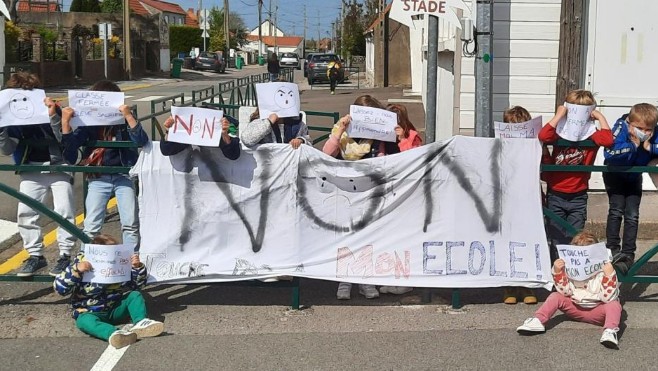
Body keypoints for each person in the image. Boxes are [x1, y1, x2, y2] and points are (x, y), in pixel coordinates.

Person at [0, 72, 77, 276]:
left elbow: (65, 140)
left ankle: (65, 255)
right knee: (26, 212)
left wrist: (53, 116)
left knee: (64, 211)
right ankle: (35, 255)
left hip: (58, 166)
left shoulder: (54, 109)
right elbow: (7, 149)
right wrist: (1, 127)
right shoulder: (12, 118)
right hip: (31, 166)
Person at [323, 95, 399, 300]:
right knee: (347, 236)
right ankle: (344, 281)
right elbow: (327, 155)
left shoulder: (381, 137)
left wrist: (396, 136)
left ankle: (366, 280)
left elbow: (396, 157)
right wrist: (339, 131)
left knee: (369, 236)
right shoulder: (343, 133)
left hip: (372, 194)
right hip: (347, 193)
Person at [60, 80, 150, 251]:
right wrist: (65, 123)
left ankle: (131, 261)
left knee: (130, 223)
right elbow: (70, 153)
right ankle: (86, 259)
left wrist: (128, 116)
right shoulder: (87, 124)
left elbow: (141, 141)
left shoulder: (123, 122)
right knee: (92, 225)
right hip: (98, 176)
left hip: (123, 175)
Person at [538, 90, 613, 263]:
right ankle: (556, 272)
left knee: (575, 236)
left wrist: (599, 116)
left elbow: (608, 140)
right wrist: (559, 115)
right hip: (556, 193)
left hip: (578, 195)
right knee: (556, 237)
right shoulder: (560, 131)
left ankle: (572, 271)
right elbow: (543, 135)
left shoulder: (592, 134)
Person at [53, 234, 164, 349]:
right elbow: (60, 288)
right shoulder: (80, 265)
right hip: (89, 311)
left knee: (134, 295)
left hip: (114, 308)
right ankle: (113, 333)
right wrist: (75, 270)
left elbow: (137, 285)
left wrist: (137, 267)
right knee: (83, 321)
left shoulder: (119, 266)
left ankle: (141, 322)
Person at [516, 231, 621, 349]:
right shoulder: (571, 268)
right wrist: (557, 271)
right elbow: (565, 292)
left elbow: (607, 298)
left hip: (598, 311)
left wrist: (609, 275)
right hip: (575, 308)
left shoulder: (604, 269)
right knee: (555, 296)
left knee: (614, 305)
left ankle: (610, 331)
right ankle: (538, 320)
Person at [603, 103, 658, 274]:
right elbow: (610, 153)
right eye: (640, 128)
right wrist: (633, 146)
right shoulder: (621, 127)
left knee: (632, 215)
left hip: (634, 177)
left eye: (648, 129)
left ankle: (628, 253)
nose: (645, 132)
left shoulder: (653, 134)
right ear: (630, 122)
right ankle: (612, 248)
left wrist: (650, 147)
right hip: (615, 175)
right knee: (616, 210)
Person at [495, 105, 540, 305]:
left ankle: (527, 284)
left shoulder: (536, 144)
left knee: (529, 240)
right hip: (506, 197)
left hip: (530, 196)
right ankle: (509, 285)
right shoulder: (498, 144)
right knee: (507, 240)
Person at [159, 114, 241, 159]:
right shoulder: (190, 135)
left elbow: (233, 154)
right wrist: (169, 132)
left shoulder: (219, 135)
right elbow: (166, 150)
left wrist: (225, 135)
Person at [240, 108, 311, 148]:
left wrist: (301, 140)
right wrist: (269, 122)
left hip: (291, 170)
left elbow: (310, 143)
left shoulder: (298, 123)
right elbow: (247, 140)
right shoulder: (259, 122)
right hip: (266, 170)